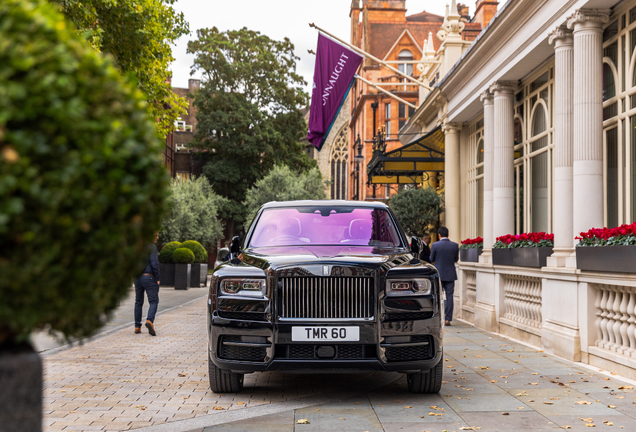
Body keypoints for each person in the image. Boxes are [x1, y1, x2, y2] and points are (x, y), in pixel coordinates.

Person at [429, 227, 459, 326]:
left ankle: (438, 317)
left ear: (439, 235)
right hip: (450, 274)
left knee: (438, 296)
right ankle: (448, 319)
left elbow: (431, 258)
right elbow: (456, 259)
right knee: (450, 296)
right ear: (448, 235)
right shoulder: (454, 245)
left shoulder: (435, 245)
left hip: (439, 274)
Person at [134, 231, 160, 336]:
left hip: (138, 278)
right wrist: (157, 278)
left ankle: (137, 326)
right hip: (149, 277)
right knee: (154, 301)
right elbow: (154, 263)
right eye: (156, 235)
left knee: (138, 302)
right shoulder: (151, 247)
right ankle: (149, 321)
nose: (157, 237)